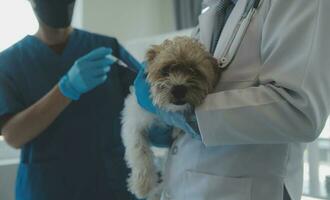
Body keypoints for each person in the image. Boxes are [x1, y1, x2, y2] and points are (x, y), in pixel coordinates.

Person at [134, 0, 330, 199]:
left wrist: (185, 118)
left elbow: (299, 109)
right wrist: (169, 130)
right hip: (187, 187)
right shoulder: (217, 8)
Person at [0, 0, 142, 199]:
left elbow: (148, 95)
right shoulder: (8, 63)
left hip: (111, 186)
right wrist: (66, 89)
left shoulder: (107, 48)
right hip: (48, 189)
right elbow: (13, 136)